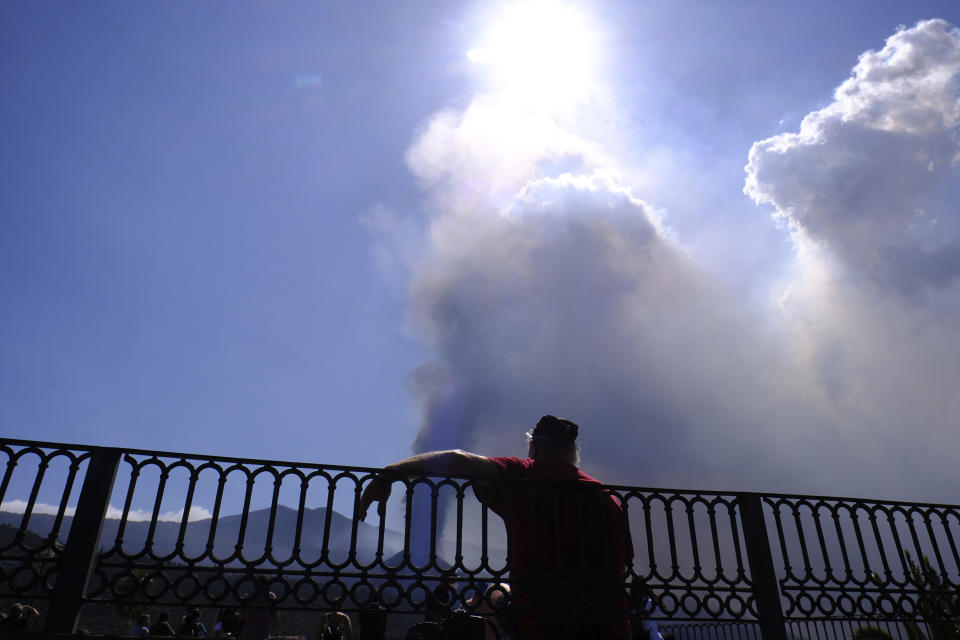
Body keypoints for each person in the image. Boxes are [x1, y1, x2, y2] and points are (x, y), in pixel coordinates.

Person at [358, 415, 632, 640]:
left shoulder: (525, 472)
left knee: (485, 598)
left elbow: (460, 460)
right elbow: (625, 561)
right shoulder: (606, 496)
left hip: (545, 621)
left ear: (534, 448)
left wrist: (391, 473)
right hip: (612, 624)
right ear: (573, 454)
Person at [240, 575, 279, 640]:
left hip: (247, 635)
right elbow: (275, 617)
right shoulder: (271, 597)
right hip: (264, 635)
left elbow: (241, 617)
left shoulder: (247, 598)